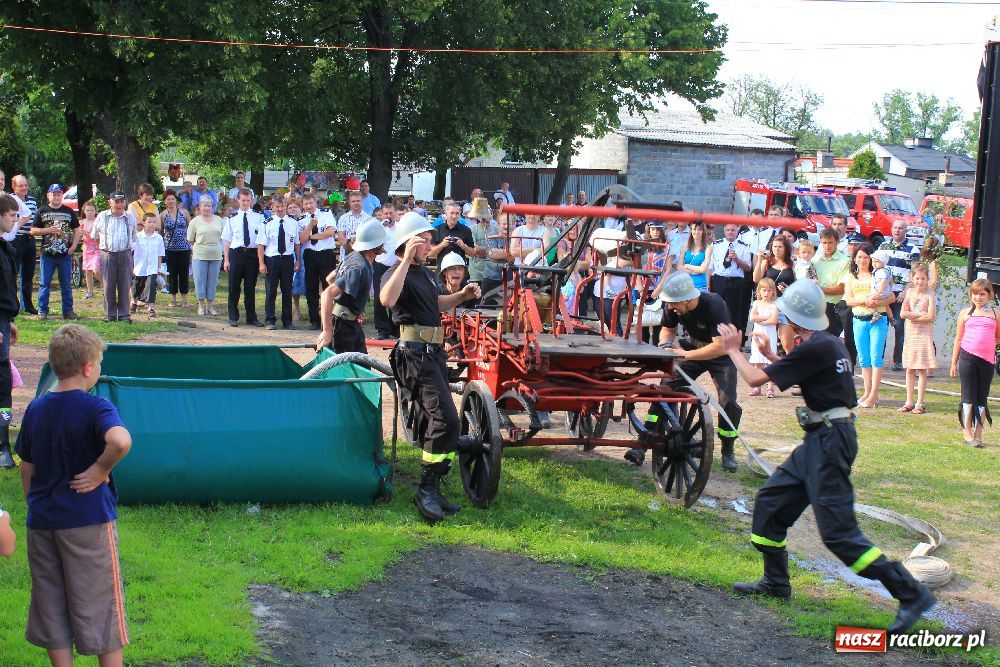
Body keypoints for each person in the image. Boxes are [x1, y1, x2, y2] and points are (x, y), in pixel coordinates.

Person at [717, 280, 936, 635]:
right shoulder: (828, 343)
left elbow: (754, 377)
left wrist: (733, 348)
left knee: (838, 534)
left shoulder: (814, 347)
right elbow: (812, 378)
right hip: (822, 439)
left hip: (830, 443)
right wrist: (776, 358)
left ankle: (911, 593)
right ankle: (776, 583)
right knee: (772, 501)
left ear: (796, 320)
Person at [15, 324, 133, 666]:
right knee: (100, 602)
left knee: (49, 601)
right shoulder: (96, 408)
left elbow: (27, 466)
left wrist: (35, 504)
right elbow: (121, 441)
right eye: (98, 363)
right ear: (87, 368)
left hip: (42, 524)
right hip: (87, 523)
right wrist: (100, 470)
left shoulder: (36, 408)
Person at [380, 213, 480, 522]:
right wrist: (406, 261)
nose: (430, 245)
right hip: (414, 356)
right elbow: (387, 299)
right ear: (410, 242)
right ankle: (425, 490)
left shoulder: (423, 273)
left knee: (446, 421)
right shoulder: (396, 272)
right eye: (425, 239)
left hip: (432, 354)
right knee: (446, 419)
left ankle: (433, 489)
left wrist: (462, 295)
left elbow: (435, 304)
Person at [630, 272, 742, 472]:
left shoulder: (714, 304)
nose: (671, 307)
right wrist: (665, 344)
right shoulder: (672, 303)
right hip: (689, 349)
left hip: (719, 355)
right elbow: (667, 328)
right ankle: (643, 443)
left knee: (728, 402)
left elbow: (720, 347)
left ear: (689, 299)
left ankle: (728, 450)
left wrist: (686, 356)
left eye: (674, 304)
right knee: (663, 390)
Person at [950, 278, 1000, 447]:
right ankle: (967, 433)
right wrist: (953, 363)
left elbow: (998, 337)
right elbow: (958, 339)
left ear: (989, 295)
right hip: (967, 358)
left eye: (982, 294)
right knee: (968, 396)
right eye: (975, 294)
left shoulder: (995, 313)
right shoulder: (965, 314)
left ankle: (978, 433)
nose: (978, 297)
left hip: (987, 361)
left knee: (981, 398)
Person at [844, 244, 892, 408]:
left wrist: (877, 301)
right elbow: (849, 301)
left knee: (875, 357)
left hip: (877, 319)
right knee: (864, 358)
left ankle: (874, 394)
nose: (862, 260)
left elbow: (891, 297)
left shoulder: (878, 274)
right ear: (854, 259)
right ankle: (867, 391)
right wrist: (864, 301)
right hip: (859, 319)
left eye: (865, 257)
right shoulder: (851, 277)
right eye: (859, 257)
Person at [31, 184, 82, 321]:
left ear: (62, 196)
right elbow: (33, 230)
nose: (56, 197)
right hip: (47, 254)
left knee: (66, 284)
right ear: (49, 195)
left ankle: (68, 311)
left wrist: (73, 247)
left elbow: (77, 229)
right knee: (44, 283)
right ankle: (42, 311)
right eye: (54, 194)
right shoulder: (42, 210)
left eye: (59, 194)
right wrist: (47, 230)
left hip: (64, 254)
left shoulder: (68, 211)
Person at [879, 220, 921, 371]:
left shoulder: (913, 249)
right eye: (895, 227)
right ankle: (878, 359)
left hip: (900, 294)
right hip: (884, 294)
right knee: (880, 326)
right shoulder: (883, 246)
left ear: (906, 230)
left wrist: (906, 291)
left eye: (900, 228)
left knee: (899, 327)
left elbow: (915, 273)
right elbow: (878, 269)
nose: (897, 230)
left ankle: (898, 361)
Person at [91, 192, 137, 323]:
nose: (119, 204)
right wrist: (102, 251)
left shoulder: (130, 217)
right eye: (116, 202)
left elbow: (134, 237)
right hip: (107, 254)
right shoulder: (102, 216)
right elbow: (94, 236)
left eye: (122, 201)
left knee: (125, 284)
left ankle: (124, 315)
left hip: (125, 253)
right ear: (110, 202)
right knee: (108, 285)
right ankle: (109, 315)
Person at [222, 188, 265, 327]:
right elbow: (227, 241)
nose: (245, 203)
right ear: (238, 200)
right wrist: (226, 259)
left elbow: (261, 240)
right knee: (234, 286)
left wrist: (260, 260)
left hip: (252, 254)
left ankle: (251, 317)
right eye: (243, 200)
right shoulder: (231, 218)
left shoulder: (259, 217)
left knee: (250, 287)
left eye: (248, 200)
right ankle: (233, 316)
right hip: (237, 253)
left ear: (251, 200)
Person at [0, 193, 22, 469]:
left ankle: (3, 442)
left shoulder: (5, 247)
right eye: (12, 215)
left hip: (4, 321)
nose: (16, 220)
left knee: (4, 388)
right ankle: (2, 446)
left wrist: (8, 319)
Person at [256, 195, 300, 330]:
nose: (280, 209)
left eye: (282, 206)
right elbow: (261, 245)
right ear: (272, 208)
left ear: (286, 207)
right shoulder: (267, 223)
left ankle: (287, 321)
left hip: (287, 260)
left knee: (287, 291)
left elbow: (297, 243)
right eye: (277, 207)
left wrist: (297, 260)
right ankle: (270, 320)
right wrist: (261, 263)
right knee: (271, 291)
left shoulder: (293, 222)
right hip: (272, 259)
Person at [898, 263, 936, 415]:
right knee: (909, 368)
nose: (920, 281)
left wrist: (914, 316)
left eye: (923, 278)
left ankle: (920, 402)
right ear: (912, 279)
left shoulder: (930, 294)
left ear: (927, 279)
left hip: (924, 334)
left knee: (921, 368)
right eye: (917, 278)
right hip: (911, 334)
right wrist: (920, 315)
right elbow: (903, 314)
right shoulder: (910, 292)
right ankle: (909, 401)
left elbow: (931, 316)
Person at [299, 193, 339, 331]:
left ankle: (330, 319)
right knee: (311, 288)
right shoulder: (302, 219)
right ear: (303, 205)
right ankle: (314, 320)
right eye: (306, 204)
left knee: (329, 286)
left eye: (311, 203)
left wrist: (311, 236)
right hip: (310, 255)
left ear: (315, 202)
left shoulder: (325, 214)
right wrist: (310, 226)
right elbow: (302, 240)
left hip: (326, 254)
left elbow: (330, 233)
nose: (309, 206)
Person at [753, 233, 796, 354]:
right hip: (768, 304)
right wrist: (760, 260)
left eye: (780, 247)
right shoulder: (767, 262)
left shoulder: (792, 264)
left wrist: (787, 290)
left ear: (786, 248)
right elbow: (756, 279)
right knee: (766, 340)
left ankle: (791, 367)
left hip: (785, 305)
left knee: (787, 343)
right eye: (775, 246)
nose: (777, 249)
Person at [186, 196, 223, 317]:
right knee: (200, 280)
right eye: (204, 205)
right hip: (200, 255)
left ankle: (210, 306)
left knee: (212, 281)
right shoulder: (194, 221)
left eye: (209, 206)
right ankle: (201, 306)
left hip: (216, 255)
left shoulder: (219, 220)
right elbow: (190, 240)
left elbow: (224, 236)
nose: (207, 208)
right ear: (200, 207)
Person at [709, 224, 751, 328]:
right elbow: (710, 266)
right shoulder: (716, 245)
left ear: (737, 231)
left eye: (733, 230)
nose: (730, 232)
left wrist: (737, 259)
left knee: (734, 312)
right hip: (719, 280)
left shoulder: (744, 246)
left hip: (736, 281)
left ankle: (734, 340)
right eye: (728, 230)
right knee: (715, 309)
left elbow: (748, 268)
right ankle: (715, 337)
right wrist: (708, 283)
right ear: (724, 231)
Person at [813, 228, 850, 341]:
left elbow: (841, 289)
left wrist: (818, 289)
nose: (827, 246)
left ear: (837, 242)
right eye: (824, 243)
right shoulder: (815, 260)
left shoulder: (845, 261)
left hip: (833, 309)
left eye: (830, 242)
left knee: (829, 343)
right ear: (820, 242)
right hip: (816, 306)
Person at [10, 174, 39, 314]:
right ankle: (12, 304)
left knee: (28, 274)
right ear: (14, 187)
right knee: (12, 273)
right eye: (21, 185)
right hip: (15, 240)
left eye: (26, 185)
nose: (24, 188)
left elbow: (34, 220)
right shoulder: (10, 200)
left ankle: (27, 305)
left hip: (29, 239)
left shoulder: (32, 200)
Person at [159, 189, 192, 308]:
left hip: (184, 248)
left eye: (173, 199)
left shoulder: (184, 212)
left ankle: (184, 299)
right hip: (170, 248)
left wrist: (191, 243)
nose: (171, 201)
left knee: (184, 274)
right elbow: (161, 232)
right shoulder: (162, 215)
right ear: (165, 201)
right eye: (168, 199)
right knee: (172, 274)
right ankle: (172, 298)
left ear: (176, 200)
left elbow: (191, 228)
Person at [748, 278, 779, 398]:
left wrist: (762, 320)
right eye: (764, 290)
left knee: (770, 362)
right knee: (758, 362)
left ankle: (770, 387)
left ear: (773, 292)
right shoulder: (756, 303)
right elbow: (752, 318)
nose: (766, 293)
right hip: (758, 334)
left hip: (769, 334)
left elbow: (774, 320)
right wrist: (765, 318)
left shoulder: (774, 305)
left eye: (769, 290)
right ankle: (757, 386)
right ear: (759, 291)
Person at [131, 213, 165, 318]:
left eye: (154, 222)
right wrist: (132, 266)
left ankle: (151, 307)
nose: (151, 224)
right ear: (144, 223)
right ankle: (134, 302)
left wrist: (159, 268)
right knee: (137, 286)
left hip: (152, 267)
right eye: (149, 222)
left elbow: (160, 254)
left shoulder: (158, 238)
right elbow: (131, 252)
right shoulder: (137, 237)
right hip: (140, 267)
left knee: (151, 286)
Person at [467, 198, 502, 300]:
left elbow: (498, 250)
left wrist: (491, 253)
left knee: (490, 299)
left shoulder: (496, 230)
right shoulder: (473, 229)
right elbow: (475, 249)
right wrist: (490, 252)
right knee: (475, 298)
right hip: (476, 271)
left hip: (492, 272)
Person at [336, 191, 372, 263]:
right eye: (353, 201)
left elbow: (370, 238)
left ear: (362, 202)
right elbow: (340, 237)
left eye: (358, 201)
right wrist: (352, 250)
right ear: (349, 203)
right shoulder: (343, 218)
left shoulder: (368, 219)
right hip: (347, 257)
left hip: (363, 256)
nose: (356, 203)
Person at [79, 201, 103, 301]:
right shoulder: (81, 222)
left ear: (95, 211)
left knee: (96, 270)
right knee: (87, 271)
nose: (89, 212)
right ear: (84, 211)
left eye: (92, 210)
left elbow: (99, 237)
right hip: (86, 249)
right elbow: (78, 235)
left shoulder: (97, 222)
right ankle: (90, 291)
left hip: (97, 249)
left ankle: (104, 285)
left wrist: (87, 234)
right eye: (87, 210)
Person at [682, 221, 711, 292]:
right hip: (685, 287)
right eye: (694, 229)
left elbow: (703, 269)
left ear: (703, 231)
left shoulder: (708, 248)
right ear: (691, 231)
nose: (697, 232)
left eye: (699, 229)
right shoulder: (685, 247)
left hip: (701, 287)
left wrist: (687, 265)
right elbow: (679, 267)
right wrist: (695, 271)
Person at [868, 249, 895, 324]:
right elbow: (891, 281)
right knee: (887, 306)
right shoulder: (888, 270)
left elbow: (883, 282)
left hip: (881, 292)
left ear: (883, 262)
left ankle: (875, 313)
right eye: (873, 261)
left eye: (877, 262)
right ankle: (891, 318)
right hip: (887, 292)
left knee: (868, 301)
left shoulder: (881, 271)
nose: (874, 264)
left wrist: (878, 293)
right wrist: (891, 288)